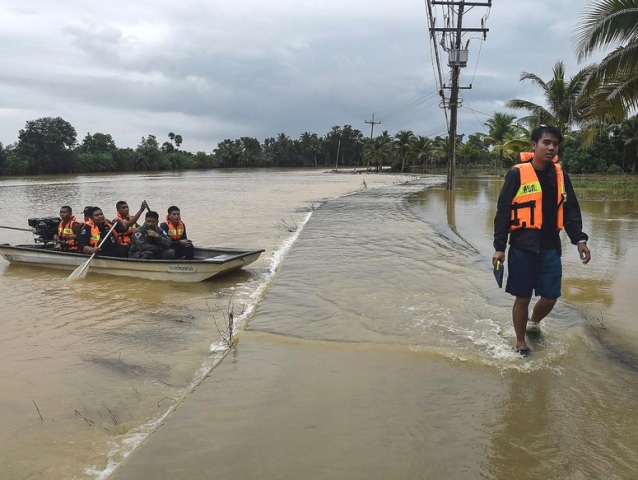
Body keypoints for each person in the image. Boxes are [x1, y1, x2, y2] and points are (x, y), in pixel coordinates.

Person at [492, 124, 591, 356]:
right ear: (534, 146)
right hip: (522, 245)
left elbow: (571, 211)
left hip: (550, 246)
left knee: (550, 296)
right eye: (546, 143)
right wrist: (499, 247)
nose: (551, 147)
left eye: (555, 144)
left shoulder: (560, 176)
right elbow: (503, 212)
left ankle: (533, 323)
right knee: (523, 297)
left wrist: (580, 240)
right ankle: (520, 341)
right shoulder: (517, 173)